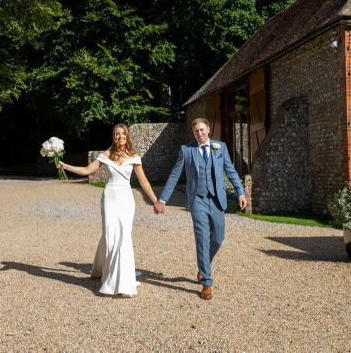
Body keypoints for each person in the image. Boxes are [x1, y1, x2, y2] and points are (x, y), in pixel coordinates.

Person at [57, 124, 160, 297]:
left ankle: (121, 281)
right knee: (109, 237)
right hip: (109, 199)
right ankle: (105, 271)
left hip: (126, 200)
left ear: (127, 136)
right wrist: (66, 166)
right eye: (117, 134)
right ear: (113, 137)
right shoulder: (105, 155)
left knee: (123, 238)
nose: (120, 136)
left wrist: (156, 201)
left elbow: (143, 182)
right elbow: (86, 170)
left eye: (123, 134)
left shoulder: (134, 156)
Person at [154, 118, 247, 301]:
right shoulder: (186, 150)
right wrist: (162, 199)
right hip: (197, 200)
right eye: (196, 131)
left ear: (208, 129)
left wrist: (240, 193)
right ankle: (207, 281)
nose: (200, 134)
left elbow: (231, 170)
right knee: (203, 239)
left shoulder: (220, 147)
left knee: (218, 238)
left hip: (217, 199)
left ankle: (203, 265)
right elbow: (174, 174)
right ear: (193, 133)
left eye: (202, 130)